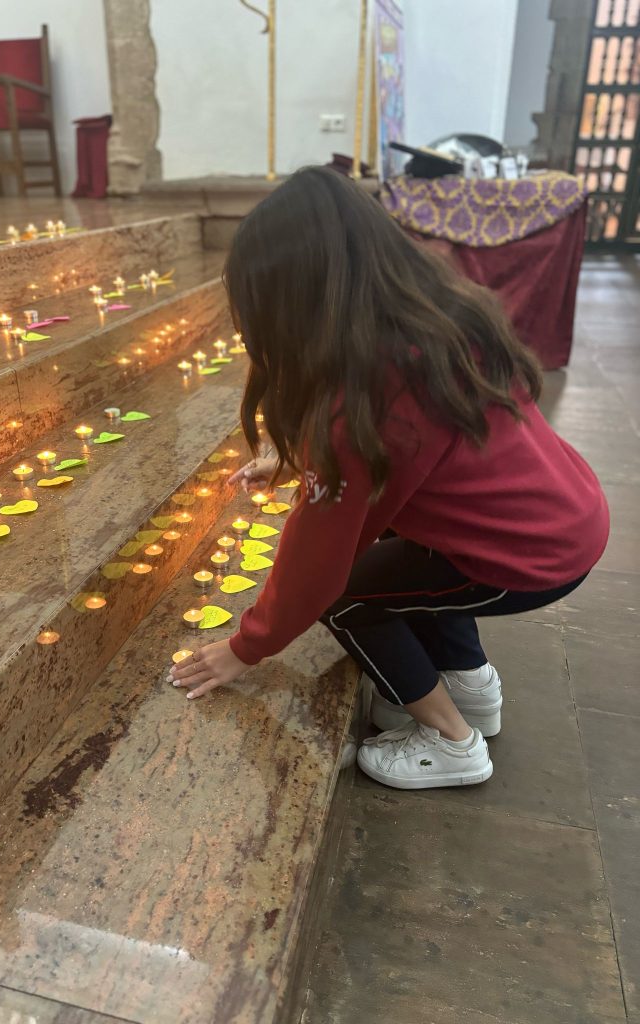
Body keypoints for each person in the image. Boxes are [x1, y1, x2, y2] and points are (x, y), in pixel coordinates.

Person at [168, 166, 609, 790]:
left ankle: (452, 741)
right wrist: (300, 460)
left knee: (347, 595)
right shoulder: (433, 320)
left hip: (529, 555)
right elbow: (414, 457)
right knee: (418, 560)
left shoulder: (368, 406)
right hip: (560, 513)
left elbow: (314, 568)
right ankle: (469, 685)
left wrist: (245, 648)